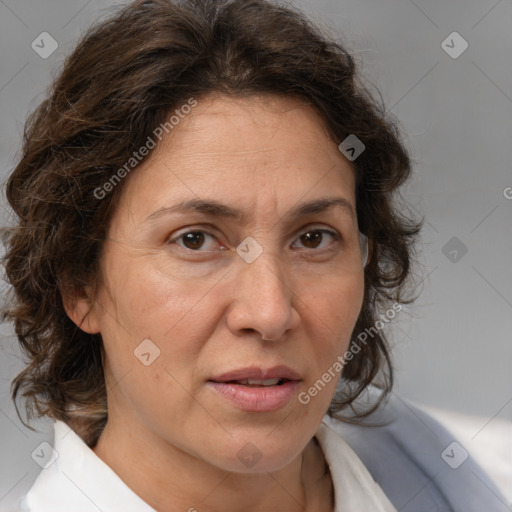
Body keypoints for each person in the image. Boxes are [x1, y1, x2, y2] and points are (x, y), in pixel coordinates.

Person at [1, 1, 506, 511]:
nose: (269, 313)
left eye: (313, 238)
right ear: (79, 285)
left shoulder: (485, 479)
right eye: (195, 240)